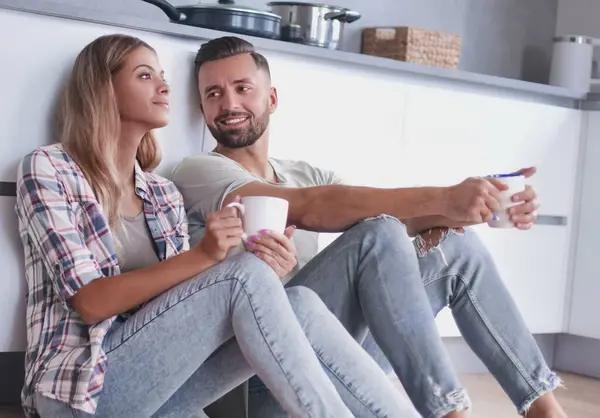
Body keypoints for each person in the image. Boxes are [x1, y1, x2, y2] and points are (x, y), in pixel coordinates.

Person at [15, 34, 422, 418]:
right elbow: (91, 303)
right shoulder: (50, 168)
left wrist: (251, 265)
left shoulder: (161, 193)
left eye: (163, 77)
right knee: (244, 276)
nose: (164, 87)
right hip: (81, 393)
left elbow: (176, 305)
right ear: (102, 89)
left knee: (297, 302)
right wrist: (209, 258)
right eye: (145, 76)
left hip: (156, 380)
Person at [171, 36, 569, 418]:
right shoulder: (201, 170)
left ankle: (544, 408)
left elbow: (397, 225)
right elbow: (312, 208)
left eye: (243, 88)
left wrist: (481, 202)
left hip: (336, 357)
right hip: (264, 377)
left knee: (454, 248)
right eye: (214, 94)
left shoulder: (307, 173)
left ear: (271, 99)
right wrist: (446, 198)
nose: (229, 103)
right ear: (203, 110)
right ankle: (450, 411)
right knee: (377, 233)